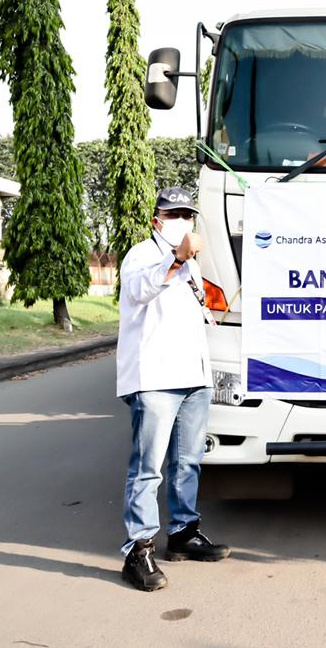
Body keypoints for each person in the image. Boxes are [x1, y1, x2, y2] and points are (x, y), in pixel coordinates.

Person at [117, 187, 229, 591]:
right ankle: (137, 550)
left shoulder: (193, 267)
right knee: (147, 468)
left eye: (187, 213)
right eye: (173, 212)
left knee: (188, 462)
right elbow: (138, 290)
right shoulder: (142, 255)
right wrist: (176, 257)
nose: (182, 218)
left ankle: (183, 534)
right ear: (156, 219)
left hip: (193, 377)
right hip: (155, 379)